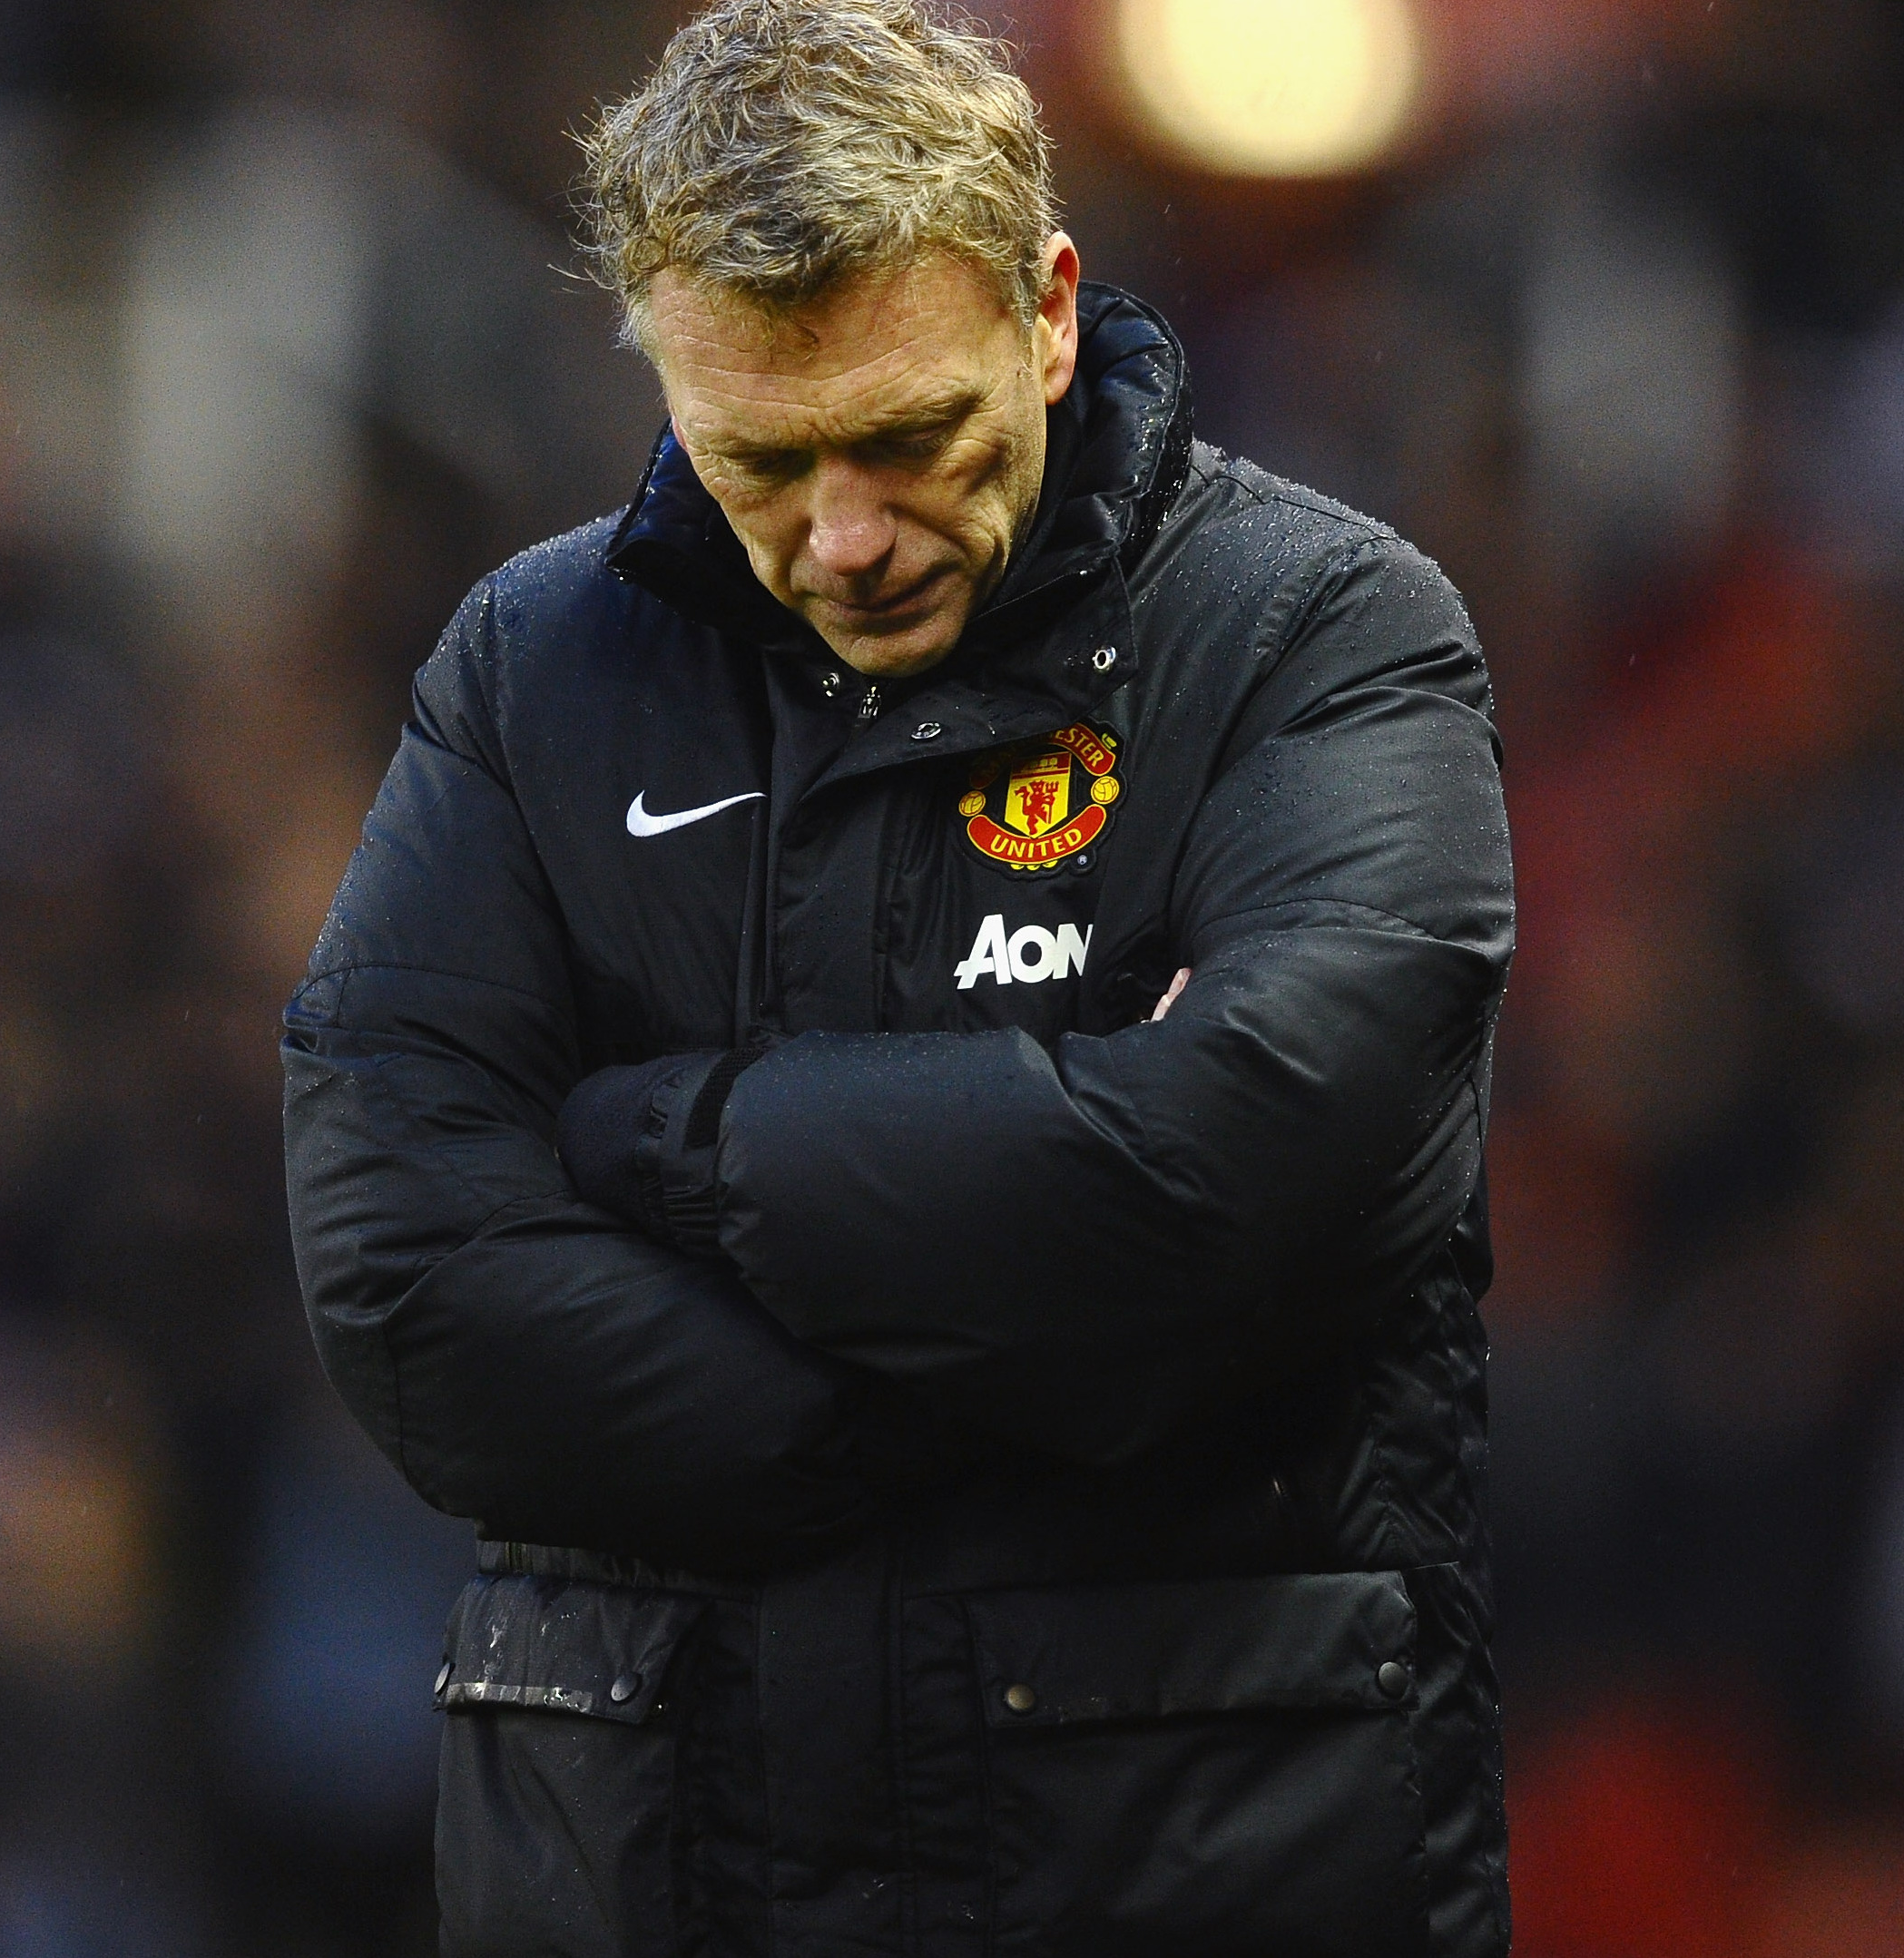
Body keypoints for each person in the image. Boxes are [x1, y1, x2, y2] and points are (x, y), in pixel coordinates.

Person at [281, 2, 1515, 1951]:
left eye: (909, 440)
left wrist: (662, 1141)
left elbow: (1249, 1166)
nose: (845, 539)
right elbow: (408, 1270)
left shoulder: (1318, 637)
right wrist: (992, 1363)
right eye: (762, 460)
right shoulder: (528, 675)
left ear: (1046, 309)